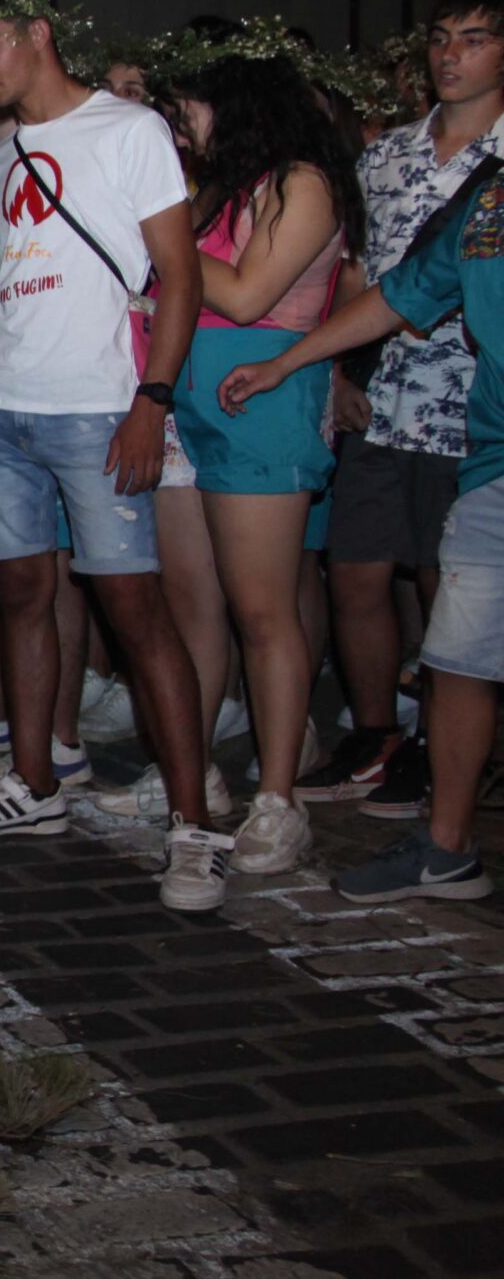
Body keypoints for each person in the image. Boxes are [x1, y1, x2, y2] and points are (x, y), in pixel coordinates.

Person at [0, 0, 223, 912]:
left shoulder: (128, 131)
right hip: (0, 403)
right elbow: (17, 279)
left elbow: (182, 275)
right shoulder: (4, 155)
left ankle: (194, 830)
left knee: (136, 617)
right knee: (21, 596)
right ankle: (36, 784)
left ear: (40, 31)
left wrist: (153, 402)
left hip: (98, 407)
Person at [91, 38, 360, 877]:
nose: (183, 124)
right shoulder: (219, 190)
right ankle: (189, 772)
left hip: (261, 406)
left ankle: (278, 800)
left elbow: (245, 292)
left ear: (236, 103)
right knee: (191, 609)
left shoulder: (302, 181)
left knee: (262, 612)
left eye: (193, 108)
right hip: (190, 406)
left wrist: (166, 242)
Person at [218, 133, 502, 907]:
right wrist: (292, 361)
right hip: (494, 464)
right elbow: (402, 293)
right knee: (458, 660)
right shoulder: (489, 202)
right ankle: (447, 850)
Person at [300, 0, 502, 818]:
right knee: (356, 568)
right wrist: (340, 373)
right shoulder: (384, 155)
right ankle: (375, 731)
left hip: (471, 406)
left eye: (475, 39)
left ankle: (442, 749)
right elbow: (358, 269)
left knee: (445, 580)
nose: (451, 55)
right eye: (442, 38)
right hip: (383, 397)